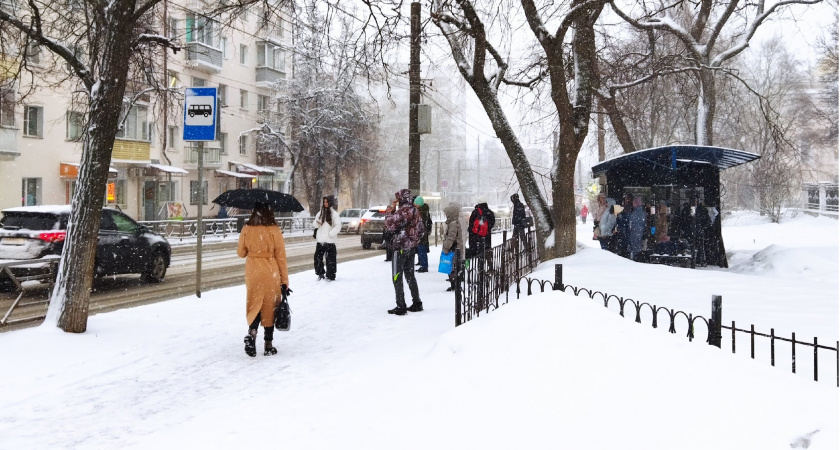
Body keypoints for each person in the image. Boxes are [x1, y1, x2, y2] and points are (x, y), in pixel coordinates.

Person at [237, 202, 289, 357]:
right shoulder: (274, 229)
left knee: (254, 303)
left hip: (253, 271)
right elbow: (281, 256)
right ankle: (268, 344)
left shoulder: (247, 228)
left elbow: (241, 252)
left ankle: (252, 333)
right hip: (270, 270)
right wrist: (284, 280)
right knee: (270, 306)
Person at [384, 189, 425, 315]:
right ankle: (417, 302)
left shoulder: (403, 211)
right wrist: (413, 240)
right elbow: (421, 230)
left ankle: (401, 305)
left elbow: (390, 223)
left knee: (397, 276)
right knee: (410, 275)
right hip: (411, 248)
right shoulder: (415, 211)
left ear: (401, 198)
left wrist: (390, 210)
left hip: (400, 247)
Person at [312, 195, 341, 281]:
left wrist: (330, 234)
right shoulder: (320, 213)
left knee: (331, 259)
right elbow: (314, 223)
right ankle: (320, 273)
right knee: (318, 258)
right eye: (324, 202)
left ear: (330, 203)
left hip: (330, 241)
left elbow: (338, 226)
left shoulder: (334, 214)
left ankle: (331, 275)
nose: (325, 203)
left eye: (327, 202)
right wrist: (317, 223)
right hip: (320, 240)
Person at [442, 202, 465, 292]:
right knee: (453, 267)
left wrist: (446, 247)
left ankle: (455, 285)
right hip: (455, 247)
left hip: (453, 248)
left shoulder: (453, 223)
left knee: (452, 268)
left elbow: (451, 237)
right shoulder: (453, 222)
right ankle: (454, 285)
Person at [414, 196, 432, 273]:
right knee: (421, 250)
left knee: (421, 250)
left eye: (416, 204)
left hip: (421, 234)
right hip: (423, 234)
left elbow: (420, 223)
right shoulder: (425, 211)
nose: (414, 205)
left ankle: (424, 266)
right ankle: (423, 265)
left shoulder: (421, 213)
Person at [627, 196, 647, 261]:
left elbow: (633, 226)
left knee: (635, 250)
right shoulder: (641, 213)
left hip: (635, 235)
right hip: (637, 235)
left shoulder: (635, 213)